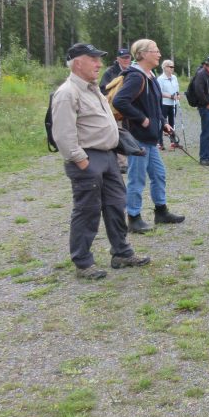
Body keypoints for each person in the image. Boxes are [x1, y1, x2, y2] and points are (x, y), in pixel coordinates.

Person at [50, 43, 150, 280]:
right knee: (87, 211)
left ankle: (122, 253)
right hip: (87, 158)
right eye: (92, 59)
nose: (99, 64)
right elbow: (63, 135)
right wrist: (81, 161)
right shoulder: (67, 93)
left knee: (116, 205)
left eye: (98, 58)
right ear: (77, 63)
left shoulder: (93, 89)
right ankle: (83, 263)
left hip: (107, 157)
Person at [112, 39, 185, 233]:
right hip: (138, 138)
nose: (159, 54)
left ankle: (161, 212)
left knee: (159, 175)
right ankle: (134, 218)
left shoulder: (150, 76)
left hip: (150, 138)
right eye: (155, 51)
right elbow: (120, 101)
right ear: (143, 54)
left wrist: (163, 122)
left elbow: (153, 104)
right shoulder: (136, 77)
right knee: (137, 179)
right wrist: (143, 120)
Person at [158, 59, 180, 150]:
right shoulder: (160, 79)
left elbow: (177, 89)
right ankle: (160, 143)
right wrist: (170, 96)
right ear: (165, 67)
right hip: (164, 103)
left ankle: (173, 142)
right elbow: (159, 92)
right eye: (170, 66)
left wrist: (177, 95)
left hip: (173, 103)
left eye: (173, 66)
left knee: (172, 122)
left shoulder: (174, 77)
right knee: (162, 123)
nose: (172, 68)